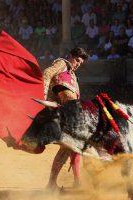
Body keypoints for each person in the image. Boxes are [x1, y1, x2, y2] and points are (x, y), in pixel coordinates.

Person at [43, 47, 89, 188]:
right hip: (62, 115)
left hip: (68, 114)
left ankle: (76, 181)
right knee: (70, 146)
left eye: (80, 63)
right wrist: (43, 95)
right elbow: (46, 73)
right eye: (76, 60)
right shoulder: (62, 64)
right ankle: (55, 183)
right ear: (69, 56)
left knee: (74, 147)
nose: (77, 64)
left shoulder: (72, 74)